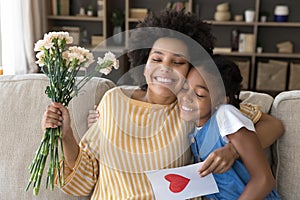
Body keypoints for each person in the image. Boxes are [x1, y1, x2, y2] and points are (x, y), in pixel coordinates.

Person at [42, 10, 281, 199]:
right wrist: (66, 135)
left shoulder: (194, 110)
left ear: (191, 70)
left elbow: (272, 125)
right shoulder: (113, 100)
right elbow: (84, 181)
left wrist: (232, 149)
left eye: (178, 62)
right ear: (144, 62)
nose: (165, 68)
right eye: (156, 58)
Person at [177, 55, 281, 199]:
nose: (186, 97)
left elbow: (264, 181)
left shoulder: (226, 115)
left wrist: (233, 150)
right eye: (184, 87)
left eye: (199, 95)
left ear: (221, 101)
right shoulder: (195, 130)